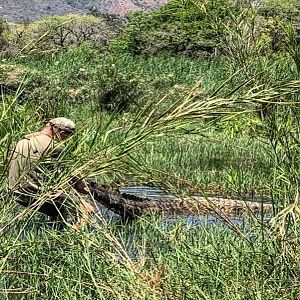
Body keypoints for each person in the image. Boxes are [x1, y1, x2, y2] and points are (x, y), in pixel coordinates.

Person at [8, 117, 94, 229]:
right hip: (32, 194)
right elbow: (77, 182)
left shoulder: (24, 140)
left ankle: (55, 231)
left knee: (58, 210)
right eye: (68, 137)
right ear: (62, 133)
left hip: (14, 192)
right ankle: (68, 240)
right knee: (87, 210)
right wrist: (87, 189)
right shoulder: (54, 147)